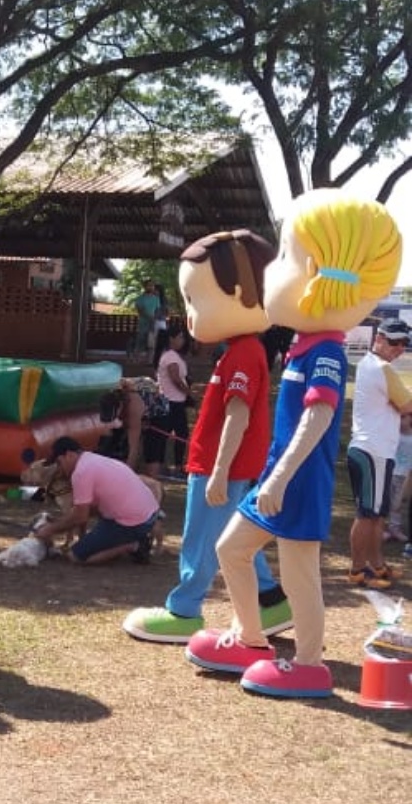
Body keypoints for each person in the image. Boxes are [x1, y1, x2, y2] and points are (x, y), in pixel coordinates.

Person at [187, 189, 402, 700]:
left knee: (300, 572)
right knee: (231, 549)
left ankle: (308, 664)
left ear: (323, 278)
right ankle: (253, 640)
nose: (271, 270)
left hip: (298, 482)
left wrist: (280, 477)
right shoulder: (305, 343)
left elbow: (320, 415)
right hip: (277, 477)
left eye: (286, 257)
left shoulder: (325, 349)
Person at [124, 228, 292, 646]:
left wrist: (218, 472)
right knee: (234, 539)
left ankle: (184, 610)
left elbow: (237, 416)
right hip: (223, 464)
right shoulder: (240, 351)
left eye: (197, 301)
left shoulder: (243, 353)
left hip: (223, 467)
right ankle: (271, 602)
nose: (192, 315)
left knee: (201, 540)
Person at [346, 318, 412, 584]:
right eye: (394, 342)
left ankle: (376, 565)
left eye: (404, 343)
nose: (399, 348)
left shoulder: (370, 365)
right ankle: (358, 570)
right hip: (372, 450)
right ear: (380, 339)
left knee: (376, 514)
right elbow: (408, 406)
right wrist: (401, 408)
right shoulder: (381, 368)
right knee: (368, 514)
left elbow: (403, 408)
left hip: (375, 451)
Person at [33, 436, 161, 564]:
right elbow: (88, 509)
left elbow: (80, 517)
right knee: (93, 537)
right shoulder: (92, 459)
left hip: (133, 522)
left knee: (76, 556)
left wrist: (50, 529)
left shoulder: (81, 472)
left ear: (69, 455)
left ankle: (134, 545)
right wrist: (59, 522)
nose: (59, 469)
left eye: (59, 462)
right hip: (150, 515)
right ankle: (128, 541)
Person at [154, 325, 191, 477]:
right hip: (172, 401)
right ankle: (175, 466)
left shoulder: (172, 355)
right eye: (180, 337)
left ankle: (168, 465)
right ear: (172, 339)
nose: (182, 341)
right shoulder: (170, 357)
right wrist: (187, 392)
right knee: (179, 434)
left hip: (174, 400)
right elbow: (175, 377)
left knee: (170, 434)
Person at [386, 412, 412, 543]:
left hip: (405, 476)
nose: (400, 421)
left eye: (403, 417)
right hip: (392, 473)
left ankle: (396, 528)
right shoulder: (394, 435)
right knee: (390, 502)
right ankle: (390, 528)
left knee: (399, 503)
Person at [132, 280, 161, 356]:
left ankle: (150, 360)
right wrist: (150, 318)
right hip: (143, 323)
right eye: (149, 285)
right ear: (145, 287)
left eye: (152, 286)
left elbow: (158, 310)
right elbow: (140, 311)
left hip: (153, 323)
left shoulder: (156, 299)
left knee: (151, 342)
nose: (151, 287)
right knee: (140, 341)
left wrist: (155, 319)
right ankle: (136, 358)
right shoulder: (140, 298)